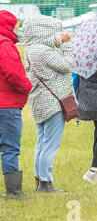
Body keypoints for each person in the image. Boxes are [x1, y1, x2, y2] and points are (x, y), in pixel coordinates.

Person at [23, 16, 73, 193]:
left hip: (39, 102)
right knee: (51, 145)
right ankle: (46, 183)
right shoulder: (45, 52)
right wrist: (66, 44)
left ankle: (39, 180)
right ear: (44, 31)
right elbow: (68, 66)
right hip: (53, 103)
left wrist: (57, 44)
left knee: (42, 143)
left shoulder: (31, 49)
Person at [0, 11, 33, 199]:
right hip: (6, 106)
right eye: (15, 25)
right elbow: (14, 74)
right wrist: (27, 86)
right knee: (10, 148)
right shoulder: (4, 44)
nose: (17, 29)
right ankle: (13, 192)